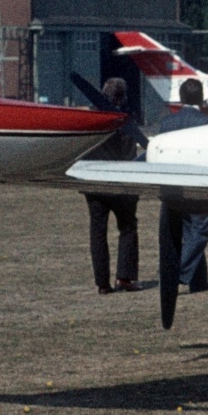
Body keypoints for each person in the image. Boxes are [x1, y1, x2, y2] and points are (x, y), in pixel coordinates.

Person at [82, 77, 145, 293]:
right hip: (122, 182)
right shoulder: (127, 120)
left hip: (95, 182)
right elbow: (131, 152)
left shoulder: (91, 118)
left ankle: (102, 283)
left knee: (98, 232)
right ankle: (125, 278)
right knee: (127, 227)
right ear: (122, 96)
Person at [155, 78, 208, 301]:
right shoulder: (205, 122)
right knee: (199, 231)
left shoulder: (167, 123)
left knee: (187, 232)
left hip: (172, 186)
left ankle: (199, 281)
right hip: (197, 185)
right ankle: (177, 274)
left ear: (181, 98)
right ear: (200, 97)